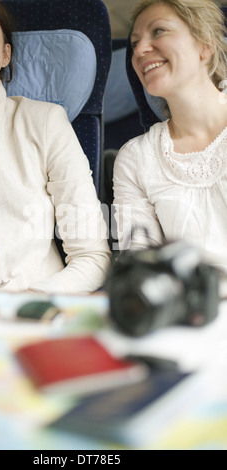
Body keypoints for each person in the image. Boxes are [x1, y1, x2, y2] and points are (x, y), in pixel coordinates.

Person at [0, 0, 110, 293]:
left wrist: (29, 303)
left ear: (5, 54)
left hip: (21, 304)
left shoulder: (47, 121)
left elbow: (92, 257)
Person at [113, 0, 227, 272]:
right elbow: (140, 264)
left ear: (205, 45)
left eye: (159, 31)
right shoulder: (135, 158)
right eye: (134, 42)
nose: (140, 50)